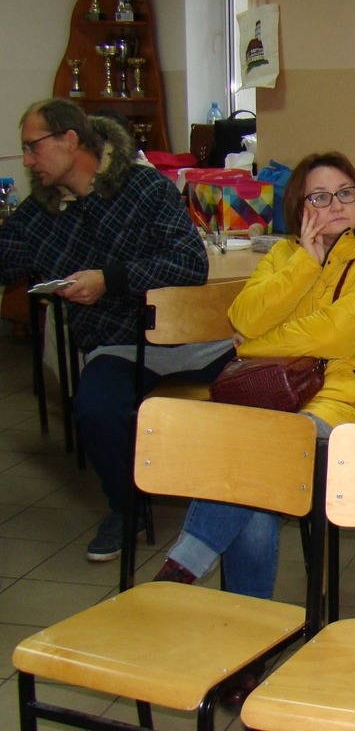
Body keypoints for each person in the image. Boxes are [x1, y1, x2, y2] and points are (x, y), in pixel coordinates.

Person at [153, 151, 355, 604]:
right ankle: (248, 624)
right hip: (275, 401)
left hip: (348, 408)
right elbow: (244, 315)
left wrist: (251, 345)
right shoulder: (286, 254)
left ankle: (187, 564)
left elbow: (336, 333)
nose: (336, 205)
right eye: (320, 197)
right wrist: (305, 263)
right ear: (299, 207)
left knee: (262, 452)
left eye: (345, 193)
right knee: (257, 475)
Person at [0, 98, 231, 562]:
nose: (26, 161)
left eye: (32, 147)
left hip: (195, 343)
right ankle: (128, 510)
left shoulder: (143, 186)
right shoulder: (40, 212)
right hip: (119, 346)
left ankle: (246, 500)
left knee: (259, 397)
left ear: (69, 140)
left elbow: (189, 263)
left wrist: (110, 279)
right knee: (95, 407)